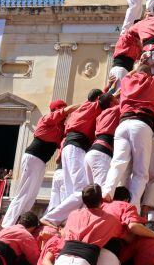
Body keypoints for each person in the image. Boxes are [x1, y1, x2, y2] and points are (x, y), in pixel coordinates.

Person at [102, 62, 154, 210]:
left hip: (122, 125)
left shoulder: (127, 80)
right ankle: (133, 206)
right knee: (141, 172)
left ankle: (107, 193)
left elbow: (128, 74)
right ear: (150, 74)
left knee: (118, 162)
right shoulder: (153, 81)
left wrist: (135, 67)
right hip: (141, 125)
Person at [43, 89, 115, 226]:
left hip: (70, 149)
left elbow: (101, 97)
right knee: (83, 191)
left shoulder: (82, 109)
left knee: (72, 192)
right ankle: (50, 217)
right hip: (76, 148)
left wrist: (109, 87)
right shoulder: (91, 106)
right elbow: (105, 99)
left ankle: (67, 222)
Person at [2, 100, 76, 228]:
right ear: (57, 110)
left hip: (41, 162)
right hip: (33, 158)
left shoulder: (59, 128)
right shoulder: (46, 119)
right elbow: (66, 111)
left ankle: (20, 223)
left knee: (31, 195)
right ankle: (7, 225)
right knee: (24, 192)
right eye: (62, 109)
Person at [85, 101, 121, 186]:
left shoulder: (100, 115)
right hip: (101, 154)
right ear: (111, 103)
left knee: (91, 191)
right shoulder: (115, 110)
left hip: (91, 153)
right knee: (101, 189)